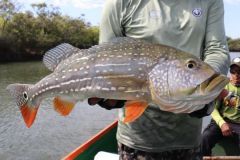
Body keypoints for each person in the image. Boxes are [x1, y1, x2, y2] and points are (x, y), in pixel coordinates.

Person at [89, 0, 230, 159]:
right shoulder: (119, 3)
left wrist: (206, 92)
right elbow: (105, 56)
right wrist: (108, 93)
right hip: (135, 141)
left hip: (189, 139)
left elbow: (217, 49)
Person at [202, 57, 240, 156]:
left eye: (239, 72)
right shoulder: (223, 86)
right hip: (222, 121)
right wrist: (222, 123)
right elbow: (213, 109)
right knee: (205, 138)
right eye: (233, 71)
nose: (236, 75)